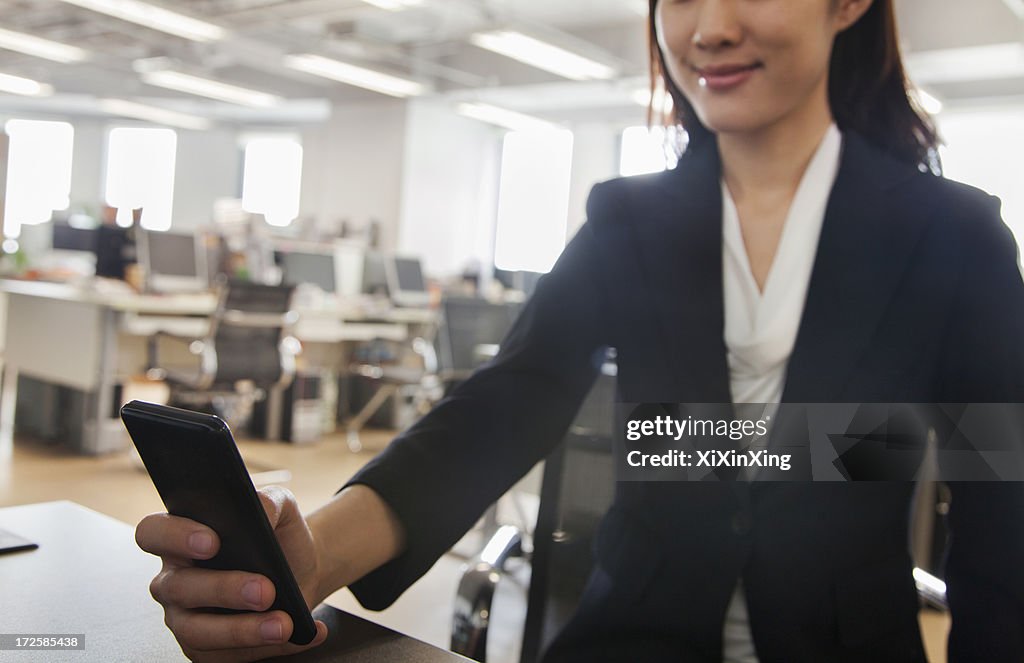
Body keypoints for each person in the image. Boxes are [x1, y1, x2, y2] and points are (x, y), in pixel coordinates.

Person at [135, 0, 1024, 661]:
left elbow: (1000, 507)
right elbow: (513, 399)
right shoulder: (627, 219)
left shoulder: (954, 235)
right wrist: (311, 554)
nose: (706, 28)